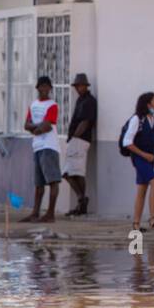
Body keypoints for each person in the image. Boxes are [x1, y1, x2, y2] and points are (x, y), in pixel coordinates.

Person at [122, 92, 154, 230]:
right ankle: (152, 218)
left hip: (151, 157)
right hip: (139, 157)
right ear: (148, 104)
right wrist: (144, 155)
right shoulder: (137, 119)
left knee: (142, 189)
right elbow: (127, 142)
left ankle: (136, 223)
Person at [22, 76, 60, 222]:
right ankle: (35, 212)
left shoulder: (52, 105)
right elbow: (27, 125)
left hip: (49, 145)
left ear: (50, 89)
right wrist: (37, 127)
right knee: (39, 184)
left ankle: (50, 213)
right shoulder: (33, 105)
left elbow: (48, 125)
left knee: (53, 181)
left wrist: (35, 127)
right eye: (41, 86)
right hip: (37, 146)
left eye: (47, 87)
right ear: (37, 88)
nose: (44, 89)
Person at [63, 73, 96, 216]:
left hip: (80, 139)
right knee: (69, 173)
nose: (78, 88)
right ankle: (81, 199)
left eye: (80, 86)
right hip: (75, 139)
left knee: (75, 172)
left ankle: (82, 200)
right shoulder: (80, 100)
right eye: (76, 86)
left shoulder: (89, 101)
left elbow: (86, 121)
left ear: (85, 86)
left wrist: (75, 137)